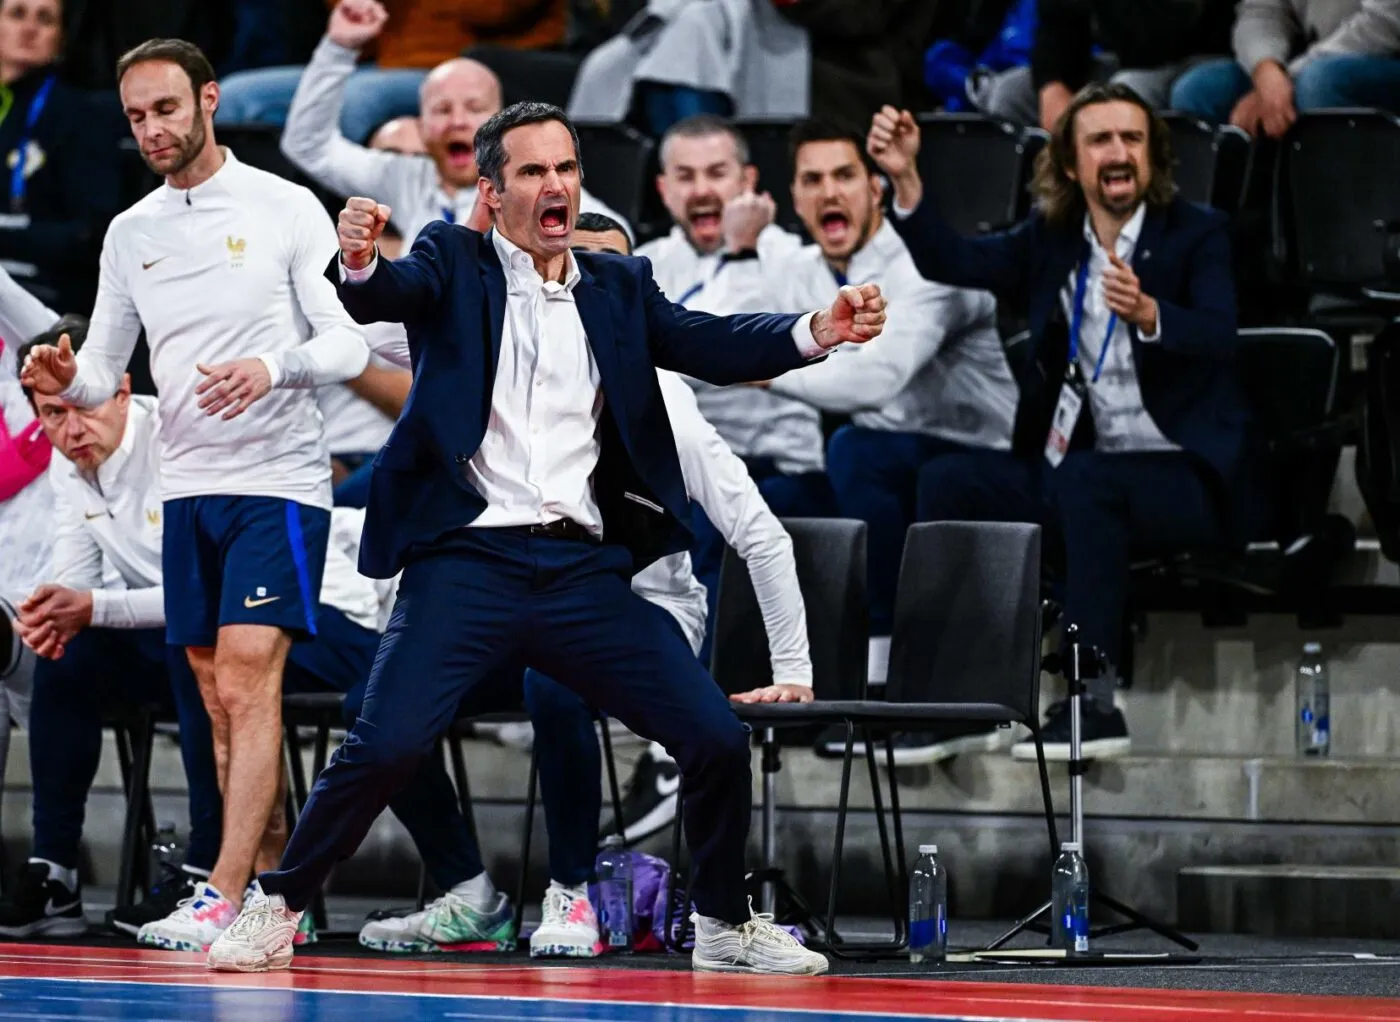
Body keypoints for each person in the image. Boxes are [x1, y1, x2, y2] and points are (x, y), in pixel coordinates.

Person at [205, 100, 885, 976]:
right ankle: (278, 904)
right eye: (532, 172)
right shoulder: (455, 261)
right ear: (492, 193)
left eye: (565, 167)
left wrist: (813, 332)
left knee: (715, 735)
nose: (555, 185)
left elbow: (707, 341)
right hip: (466, 563)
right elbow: (387, 290)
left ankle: (721, 925)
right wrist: (361, 260)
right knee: (386, 745)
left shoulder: (619, 285)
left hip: (579, 572)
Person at [353, 210, 815, 953]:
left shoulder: (670, 405)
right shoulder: (503, 364)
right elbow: (376, 329)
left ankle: (572, 891)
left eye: (601, 270)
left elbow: (762, 535)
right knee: (374, 705)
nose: (573, 284)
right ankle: (470, 893)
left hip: (646, 612)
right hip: (520, 604)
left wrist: (792, 668)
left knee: (553, 681)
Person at [19, 38, 369, 950]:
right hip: (188, 486)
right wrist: (70, 370)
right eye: (136, 117)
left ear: (208, 100)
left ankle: (220, 890)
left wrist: (270, 367)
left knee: (250, 675)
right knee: (216, 699)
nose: (151, 130)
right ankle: (270, 888)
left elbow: (346, 348)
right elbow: (103, 371)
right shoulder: (130, 232)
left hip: (278, 481)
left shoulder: (286, 205)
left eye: (165, 110)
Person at [866, 84, 1252, 760]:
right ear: (1072, 164)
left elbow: (1223, 337)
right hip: (1082, 471)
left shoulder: (1198, 233)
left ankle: (1092, 702)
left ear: (1153, 158)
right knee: (953, 481)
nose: (1118, 152)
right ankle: (966, 700)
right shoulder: (1052, 239)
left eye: (1132, 138)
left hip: (1187, 473)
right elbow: (955, 262)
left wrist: (1151, 316)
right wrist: (905, 180)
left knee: (1088, 481)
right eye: (1100, 139)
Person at [704, 120, 1019, 765]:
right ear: (794, 198)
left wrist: (765, 367)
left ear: (875, 189)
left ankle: (911, 687)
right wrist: (739, 256)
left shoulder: (925, 266)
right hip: (881, 454)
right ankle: (748, 697)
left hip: (982, 454)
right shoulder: (796, 268)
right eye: (812, 180)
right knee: (762, 495)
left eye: (845, 176)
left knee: (881, 459)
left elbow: (878, 378)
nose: (829, 193)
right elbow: (707, 335)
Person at [0, 316, 221, 939]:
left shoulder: (176, 438)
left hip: (237, 629)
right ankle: (55, 874)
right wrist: (54, 619)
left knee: (191, 642)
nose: (70, 429)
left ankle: (205, 869)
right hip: (158, 633)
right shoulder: (68, 464)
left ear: (122, 388)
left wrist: (86, 608)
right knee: (66, 656)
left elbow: (196, 600)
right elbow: (77, 583)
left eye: (82, 407)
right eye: (50, 415)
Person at [281, 0, 627, 251]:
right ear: (421, 124)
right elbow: (308, 145)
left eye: (474, 108)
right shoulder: (406, 178)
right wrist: (339, 48)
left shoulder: (536, 191)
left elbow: (617, 233)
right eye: (442, 109)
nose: (458, 121)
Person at [218, 0, 571, 142]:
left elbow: (497, 10)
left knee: (358, 100)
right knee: (235, 96)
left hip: (471, 65)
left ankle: (343, 229)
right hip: (380, 62)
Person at [0, 0, 122, 314]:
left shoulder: (80, 117)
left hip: (42, 296)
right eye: (17, 14)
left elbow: (92, 233)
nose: (29, 28)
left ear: (61, 40)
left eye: (45, 19)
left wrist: (8, 238)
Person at [979, 0, 1237, 129]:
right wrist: (1053, 85)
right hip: (1126, 60)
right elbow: (1059, 21)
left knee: (1126, 90)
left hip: (1202, 56)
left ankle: (1131, 219)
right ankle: (1036, 219)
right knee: (1010, 94)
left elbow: (1171, 30)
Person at [1169, 0, 1400, 137]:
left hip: (1383, 61)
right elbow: (1261, 11)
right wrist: (1265, 68)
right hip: (1309, 64)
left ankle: (1337, 212)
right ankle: (1230, 215)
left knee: (1319, 82)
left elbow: (1386, 24)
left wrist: (1287, 78)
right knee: (1200, 89)